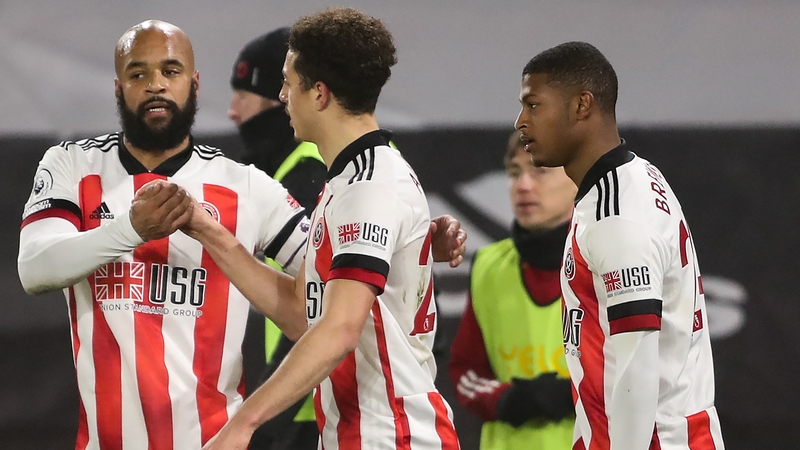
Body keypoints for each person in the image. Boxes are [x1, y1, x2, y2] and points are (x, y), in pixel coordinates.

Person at [16, 19, 465, 450]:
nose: (155, 84)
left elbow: (337, 321)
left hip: (276, 438)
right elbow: (36, 269)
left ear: (194, 82)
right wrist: (137, 230)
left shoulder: (250, 186)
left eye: (170, 71)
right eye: (138, 73)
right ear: (118, 88)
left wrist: (404, 242)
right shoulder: (72, 165)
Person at [181, 7, 462, 450]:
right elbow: (302, 313)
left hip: (395, 438)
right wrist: (208, 230)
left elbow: (339, 328)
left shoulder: (369, 184)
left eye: (288, 84)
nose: (282, 97)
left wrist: (243, 423)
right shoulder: (347, 180)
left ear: (319, 94)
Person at [514, 42, 725, 449]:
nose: (521, 121)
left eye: (534, 105)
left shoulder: (617, 216)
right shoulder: (630, 179)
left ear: (581, 105)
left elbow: (635, 366)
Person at [229, 27, 325, 450]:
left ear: (279, 99)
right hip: (309, 400)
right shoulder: (298, 170)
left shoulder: (312, 174)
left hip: (310, 408)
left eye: (242, 95)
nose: (233, 112)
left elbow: (319, 306)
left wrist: (264, 421)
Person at [448, 131, 576, 449]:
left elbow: (639, 376)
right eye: (515, 172)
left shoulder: (611, 263)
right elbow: (465, 371)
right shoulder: (489, 267)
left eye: (540, 171)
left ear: (578, 177)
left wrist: (569, 395)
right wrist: (511, 400)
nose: (523, 185)